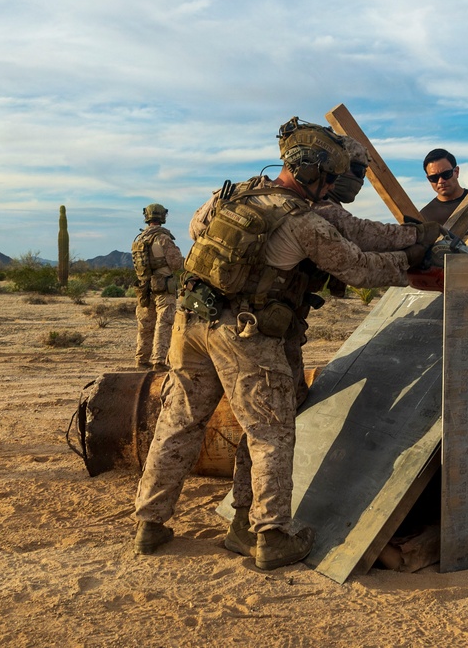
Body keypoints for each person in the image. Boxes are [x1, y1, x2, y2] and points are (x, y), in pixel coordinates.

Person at [132, 118, 433, 570]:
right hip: (247, 333)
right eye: (330, 178)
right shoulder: (303, 220)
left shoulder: (230, 194)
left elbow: (197, 232)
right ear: (314, 173)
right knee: (270, 432)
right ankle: (270, 535)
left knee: (179, 421)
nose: (333, 187)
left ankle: (150, 524)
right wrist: (411, 256)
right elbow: (360, 269)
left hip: (189, 321)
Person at [285, 135, 440, 406]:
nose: (356, 180)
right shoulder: (312, 209)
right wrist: (412, 245)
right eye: (354, 171)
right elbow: (360, 254)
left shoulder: (261, 196)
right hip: (259, 329)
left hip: (205, 318)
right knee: (277, 415)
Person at [131, 203, 183, 371]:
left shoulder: (139, 239)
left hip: (144, 288)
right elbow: (176, 264)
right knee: (164, 323)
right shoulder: (163, 238)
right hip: (163, 287)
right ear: (162, 216)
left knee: (145, 325)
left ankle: (141, 359)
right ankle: (159, 361)